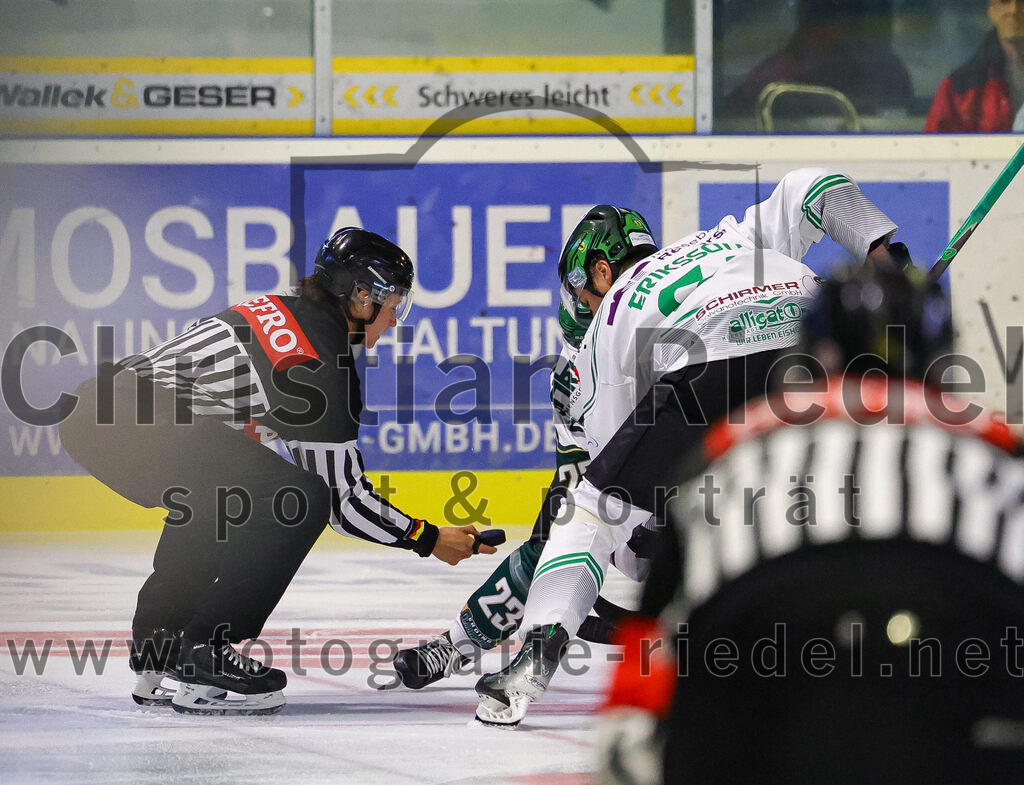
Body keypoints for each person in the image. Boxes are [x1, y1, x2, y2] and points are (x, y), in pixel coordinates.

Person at [472, 168, 912, 727]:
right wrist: (886, 254)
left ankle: (533, 661)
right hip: (813, 357)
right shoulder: (729, 236)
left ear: (602, 273)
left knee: (589, 507)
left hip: (705, 366)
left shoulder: (608, 319)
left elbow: (622, 494)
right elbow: (810, 186)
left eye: (580, 288)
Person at [597, 263, 1024, 785]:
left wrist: (632, 739)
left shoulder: (738, 440)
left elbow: (649, 636)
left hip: (760, 655)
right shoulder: (993, 440)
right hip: (962, 655)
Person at [58, 227, 496, 716]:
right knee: (301, 498)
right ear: (361, 296)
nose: (394, 321)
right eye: (394, 304)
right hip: (145, 423)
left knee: (221, 492)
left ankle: (161, 647)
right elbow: (343, 502)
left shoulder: (279, 306)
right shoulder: (321, 365)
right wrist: (429, 537)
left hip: (95, 409)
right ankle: (206, 648)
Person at [925, 0, 1024, 132]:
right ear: (990, 10)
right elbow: (933, 148)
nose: (1013, 10)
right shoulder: (959, 89)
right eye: (1003, 1)